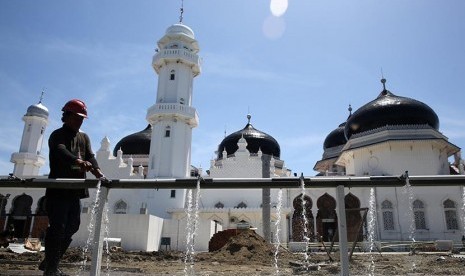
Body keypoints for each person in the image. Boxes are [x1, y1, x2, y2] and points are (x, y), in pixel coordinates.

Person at [40, 99, 105, 276]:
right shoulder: (57, 135)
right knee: (57, 227)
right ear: (66, 117)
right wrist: (77, 161)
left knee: (73, 226)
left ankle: (49, 262)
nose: (80, 121)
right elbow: (61, 151)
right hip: (58, 189)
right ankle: (51, 269)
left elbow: (90, 156)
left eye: (82, 119)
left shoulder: (84, 137)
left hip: (75, 191)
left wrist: (98, 172)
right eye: (76, 118)